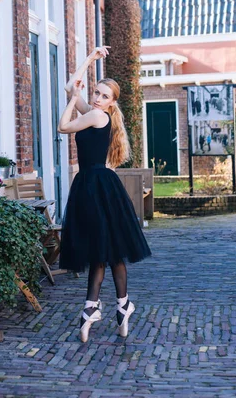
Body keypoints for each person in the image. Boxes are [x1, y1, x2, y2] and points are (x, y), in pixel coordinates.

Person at [58, 47, 152, 343]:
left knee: (105, 251)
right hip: (95, 185)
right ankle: (121, 308)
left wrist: (75, 97)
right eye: (96, 93)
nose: (97, 98)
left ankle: (92, 310)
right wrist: (89, 59)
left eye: (103, 96)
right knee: (106, 251)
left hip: (95, 185)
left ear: (111, 104)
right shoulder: (96, 114)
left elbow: (63, 126)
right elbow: (68, 86)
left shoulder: (97, 116)